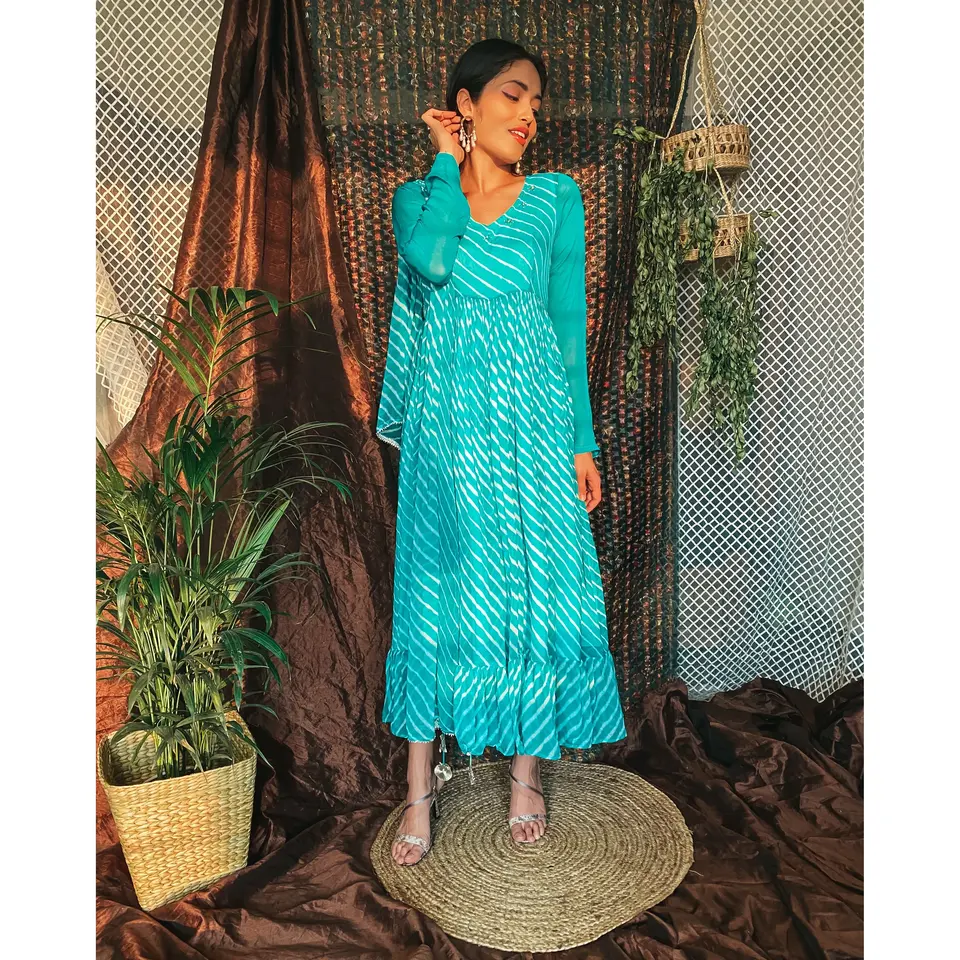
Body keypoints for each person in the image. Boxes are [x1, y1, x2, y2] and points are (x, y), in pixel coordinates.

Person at [376, 38, 627, 867]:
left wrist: (582, 441)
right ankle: (419, 787)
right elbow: (435, 258)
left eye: (536, 104)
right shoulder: (419, 199)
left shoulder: (555, 198)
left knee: (530, 588)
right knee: (436, 596)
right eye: (513, 95)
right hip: (447, 432)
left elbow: (567, 325)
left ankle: (526, 776)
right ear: (466, 103)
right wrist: (444, 160)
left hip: (532, 423)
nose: (529, 116)